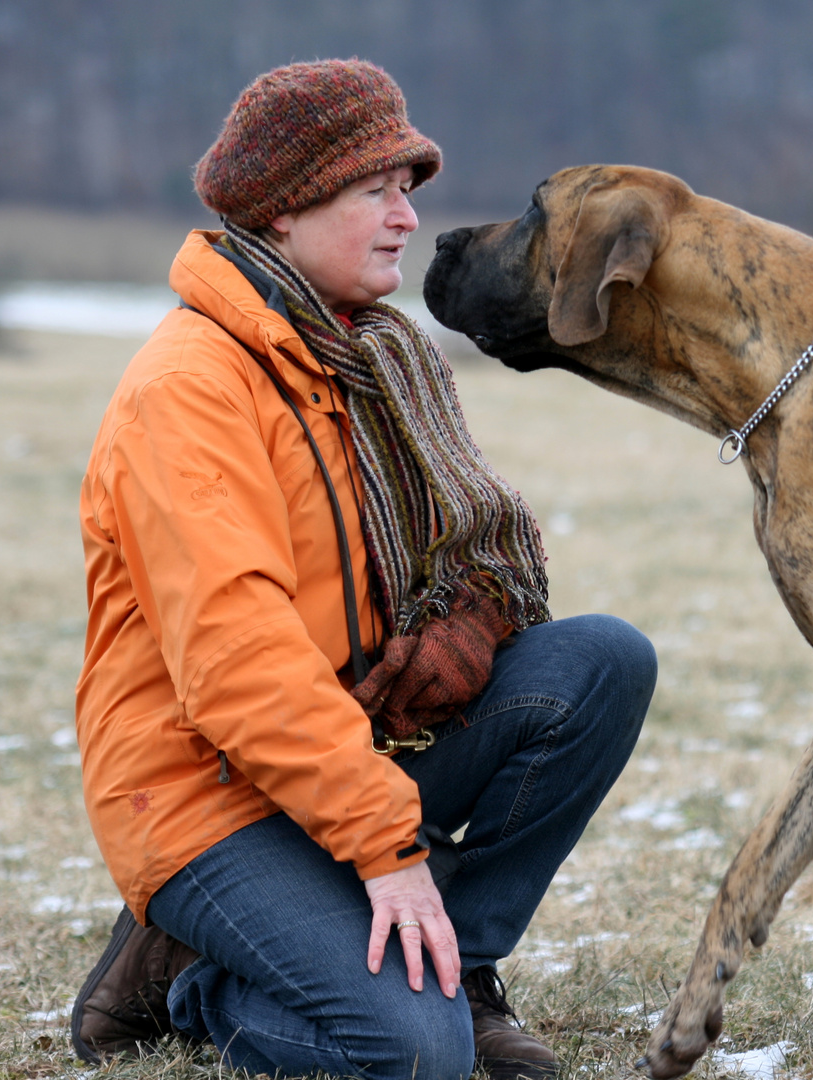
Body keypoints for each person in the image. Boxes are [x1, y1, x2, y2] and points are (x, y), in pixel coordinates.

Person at [68, 59, 655, 1080]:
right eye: (373, 190)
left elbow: (403, 561)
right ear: (285, 211)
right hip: (210, 794)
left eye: (408, 191)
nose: (404, 217)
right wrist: (388, 851)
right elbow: (237, 664)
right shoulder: (191, 392)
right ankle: (192, 977)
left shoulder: (359, 361)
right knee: (405, 1056)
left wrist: (467, 614)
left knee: (600, 663)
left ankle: (455, 969)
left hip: (344, 745)